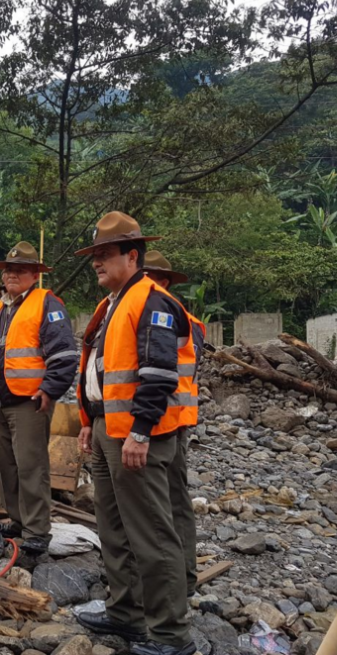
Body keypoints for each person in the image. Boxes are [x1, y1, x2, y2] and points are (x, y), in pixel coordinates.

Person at [73, 212, 197, 655]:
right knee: (115, 528)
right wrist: (90, 420)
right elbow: (102, 371)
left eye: (104, 255)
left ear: (132, 255)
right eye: (95, 256)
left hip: (136, 436)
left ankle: (170, 636)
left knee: (151, 533)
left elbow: (158, 374)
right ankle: (126, 613)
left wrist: (141, 432)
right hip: (110, 428)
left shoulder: (151, 301)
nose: (96, 263)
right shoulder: (115, 303)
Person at [0, 242, 77, 555]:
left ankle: (37, 529)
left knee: (31, 466)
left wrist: (50, 390)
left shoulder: (47, 304)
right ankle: (17, 519)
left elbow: (65, 355)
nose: (13, 274)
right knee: (6, 466)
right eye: (10, 269)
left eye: (22, 269)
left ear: (35, 274)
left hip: (29, 401)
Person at [142, 250, 204, 597]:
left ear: (161, 282)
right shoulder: (176, 317)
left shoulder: (173, 318)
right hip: (166, 417)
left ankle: (182, 576)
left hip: (169, 420)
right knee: (167, 498)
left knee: (172, 499)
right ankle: (176, 573)